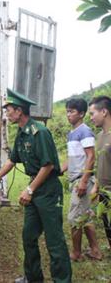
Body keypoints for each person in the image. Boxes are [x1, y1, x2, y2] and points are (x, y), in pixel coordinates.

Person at [0, 89, 72, 283]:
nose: (7, 113)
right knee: (29, 237)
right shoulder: (22, 133)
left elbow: (49, 165)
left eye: (9, 110)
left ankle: (62, 280)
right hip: (34, 191)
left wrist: (30, 189)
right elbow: (13, 159)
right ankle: (33, 278)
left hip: (48, 191)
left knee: (54, 241)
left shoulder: (39, 132)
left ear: (19, 111)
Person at [61, 98, 102, 261]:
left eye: (72, 112)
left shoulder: (85, 131)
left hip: (81, 180)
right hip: (75, 179)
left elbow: (91, 157)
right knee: (85, 216)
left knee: (74, 218)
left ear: (82, 114)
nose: (68, 115)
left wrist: (84, 181)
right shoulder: (72, 133)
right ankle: (95, 250)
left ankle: (76, 253)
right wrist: (59, 170)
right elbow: (72, 159)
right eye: (67, 111)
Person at [88, 95, 111, 250]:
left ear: (104, 111)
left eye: (92, 113)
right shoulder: (100, 136)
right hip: (104, 194)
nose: (90, 118)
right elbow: (100, 164)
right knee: (108, 229)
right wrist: (96, 185)